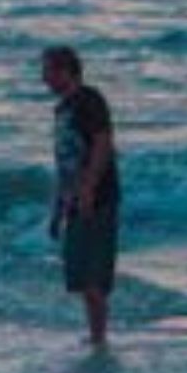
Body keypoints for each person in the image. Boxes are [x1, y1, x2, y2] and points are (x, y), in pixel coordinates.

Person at [40, 46, 120, 346]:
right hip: (73, 200)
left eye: (48, 71)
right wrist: (57, 208)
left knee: (93, 275)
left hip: (98, 198)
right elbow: (64, 163)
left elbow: (102, 143)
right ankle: (96, 335)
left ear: (65, 71)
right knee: (78, 274)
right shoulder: (62, 109)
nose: (44, 78)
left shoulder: (89, 99)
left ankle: (99, 339)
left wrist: (89, 187)